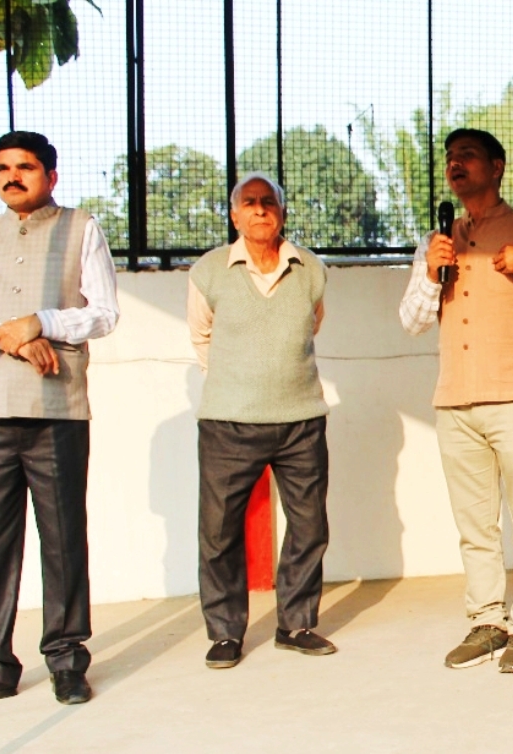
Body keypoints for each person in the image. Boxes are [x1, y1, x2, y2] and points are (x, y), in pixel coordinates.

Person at [0, 131, 120, 709]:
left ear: (51, 176)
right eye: (3, 168)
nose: (12, 177)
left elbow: (104, 313)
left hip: (56, 412)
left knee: (63, 540)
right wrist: (8, 336)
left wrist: (41, 322)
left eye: (26, 167)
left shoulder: (81, 228)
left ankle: (66, 660)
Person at [399, 129, 513, 673]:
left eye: (468, 155)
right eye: (450, 157)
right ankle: (486, 621)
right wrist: (432, 274)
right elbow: (411, 320)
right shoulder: (439, 241)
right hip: (455, 401)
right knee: (474, 526)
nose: (455, 164)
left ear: (497, 166)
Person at [187, 172, 335, 669]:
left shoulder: (310, 269)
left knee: (309, 525)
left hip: (301, 419)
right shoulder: (208, 271)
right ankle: (225, 633)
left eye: (268, 201)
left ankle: (296, 625)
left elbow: (311, 326)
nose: (259, 209)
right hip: (228, 423)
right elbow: (201, 337)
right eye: (248, 202)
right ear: (234, 215)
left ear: (282, 212)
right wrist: (236, 384)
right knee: (219, 532)